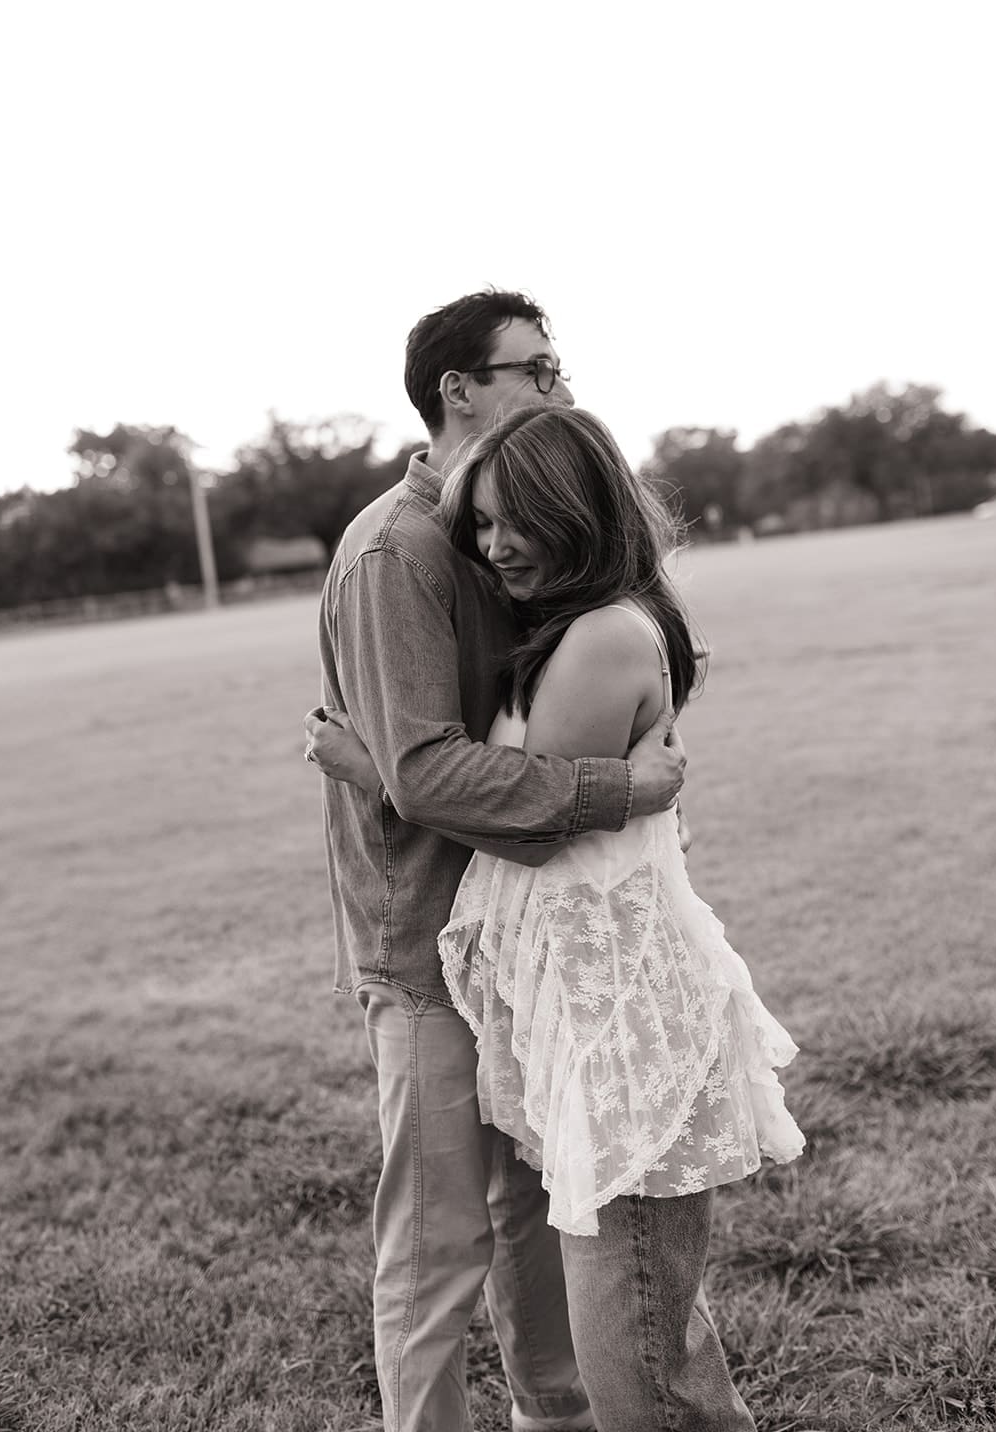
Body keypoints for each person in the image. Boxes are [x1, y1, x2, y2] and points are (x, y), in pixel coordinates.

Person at [311, 403, 806, 1431]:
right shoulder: (574, 627)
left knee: (640, 1362)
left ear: (572, 511)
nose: (493, 546)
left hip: (616, 1026)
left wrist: (383, 773)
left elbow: (534, 830)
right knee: (648, 1329)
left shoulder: (595, 639)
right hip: (594, 1013)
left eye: (513, 520)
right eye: (478, 525)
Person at [305, 290, 689, 1432]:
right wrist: (619, 786)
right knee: (437, 1242)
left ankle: (552, 1415)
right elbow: (426, 773)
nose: (559, 383)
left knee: (537, 1205)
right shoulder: (398, 551)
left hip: (525, 936)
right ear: (455, 390)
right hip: (427, 940)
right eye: (536, 365)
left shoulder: (507, 523)